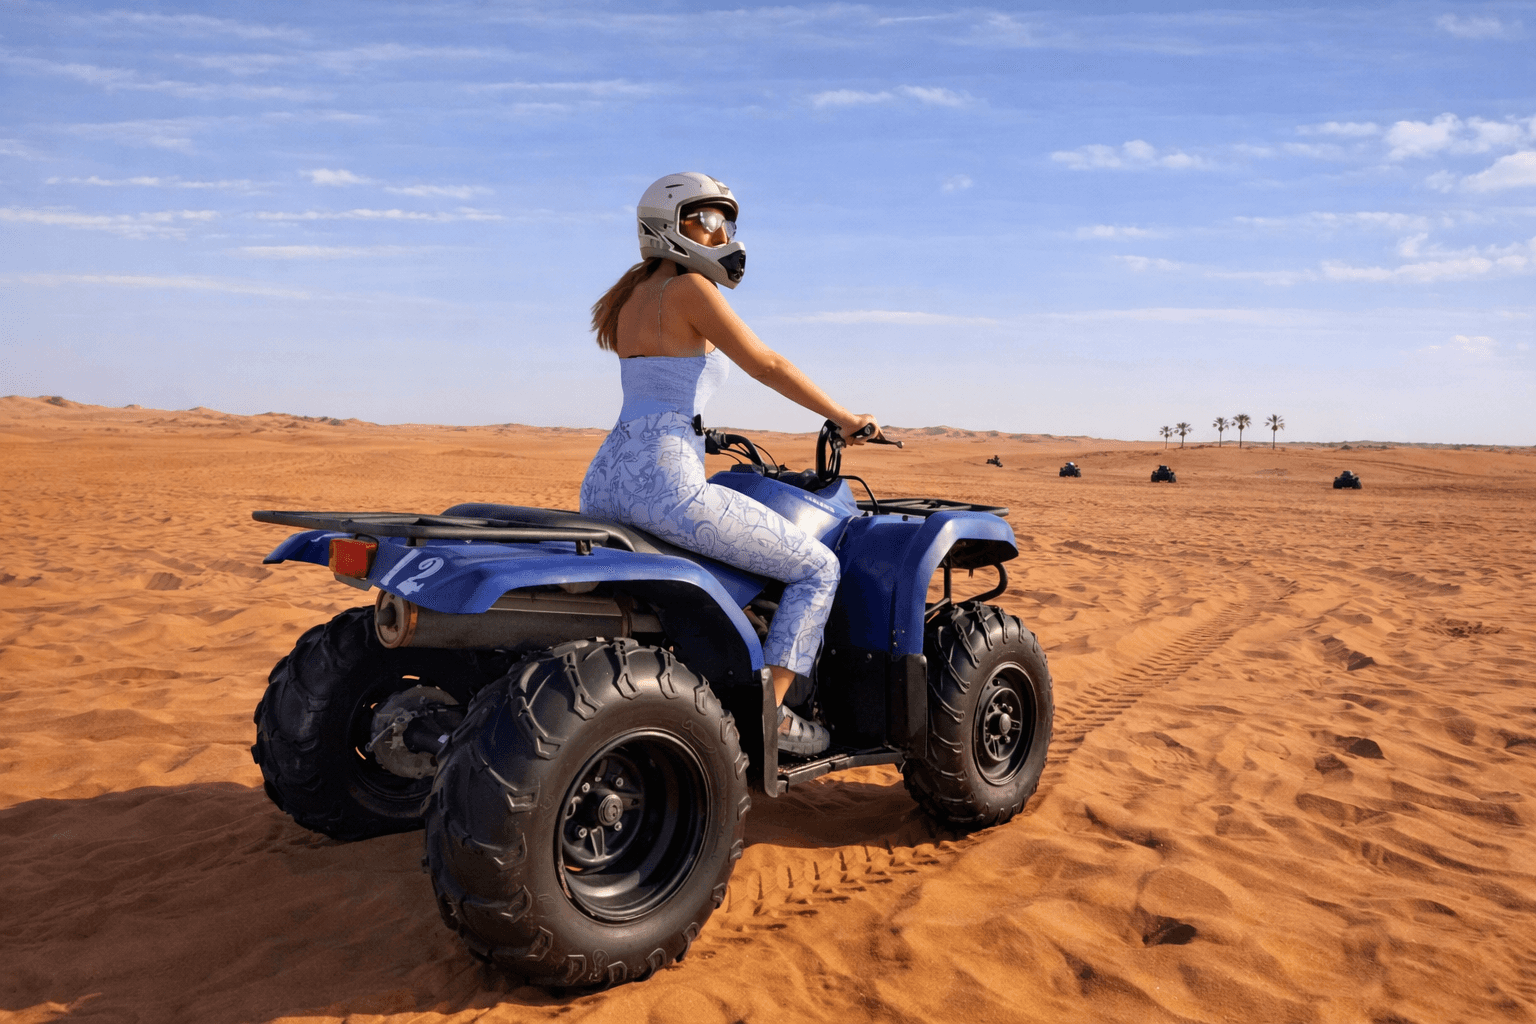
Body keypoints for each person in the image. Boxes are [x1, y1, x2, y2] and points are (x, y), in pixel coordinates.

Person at [580, 172, 881, 756]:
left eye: (725, 223)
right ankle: (774, 717)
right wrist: (846, 419)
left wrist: (702, 434)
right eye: (707, 221)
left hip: (606, 481)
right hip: (666, 484)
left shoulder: (625, 298)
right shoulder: (691, 289)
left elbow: (660, 393)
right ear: (669, 226)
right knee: (817, 568)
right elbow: (766, 363)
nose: (720, 234)